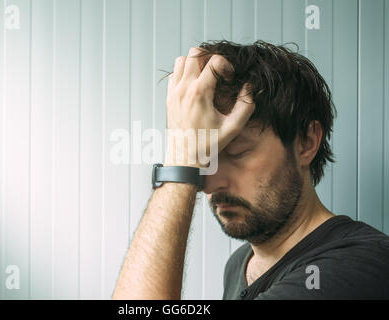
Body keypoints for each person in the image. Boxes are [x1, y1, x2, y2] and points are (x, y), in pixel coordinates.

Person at [112, 40, 389, 300]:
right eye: (204, 158)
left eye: (235, 152)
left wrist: (180, 163)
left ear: (307, 142)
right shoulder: (240, 263)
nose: (208, 185)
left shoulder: (360, 264)